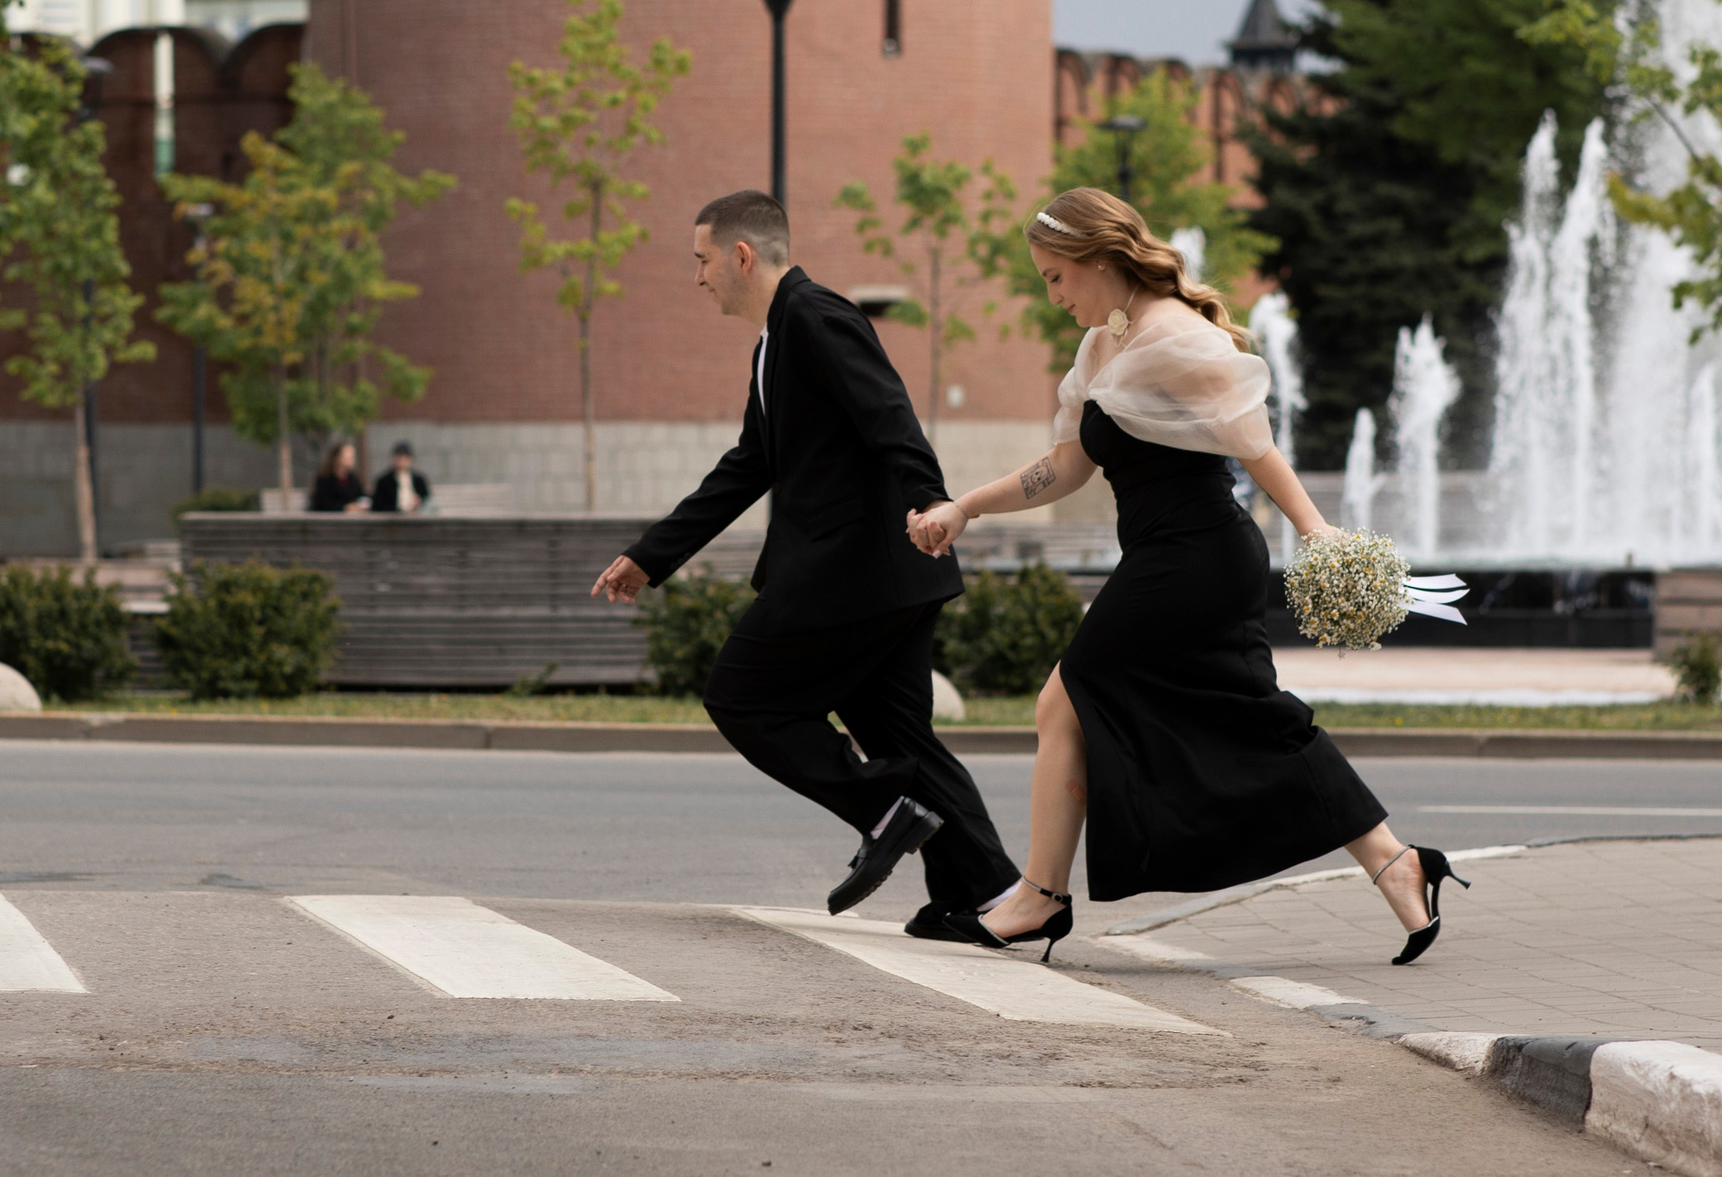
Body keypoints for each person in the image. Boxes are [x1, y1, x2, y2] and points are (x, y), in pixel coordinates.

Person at [907, 188, 1466, 965]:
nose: (1053, 295)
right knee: (1247, 716)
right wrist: (967, 506)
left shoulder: (1173, 336)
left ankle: (1040, 896)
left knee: (1063, 699)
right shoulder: (1106, 345)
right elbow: (1068, 465)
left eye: (1056, 277)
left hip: (1197, 558)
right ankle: (1396, 861)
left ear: (1100, 261)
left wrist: (1316, 531)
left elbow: (1254, 445)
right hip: (1169, 558)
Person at [593, 191, 1021, 929]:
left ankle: (882, 810)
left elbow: (889, 411)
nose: (697, 279)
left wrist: (929, 502)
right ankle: (992, 894)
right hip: (883, 573)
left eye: (701, 261)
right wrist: (650, 555)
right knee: (900, 735)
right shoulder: (776, 339)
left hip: (859, 568)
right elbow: (749, 464)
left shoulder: (816, 316)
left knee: (740, 692)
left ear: (741, 255)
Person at [368, 441, 431, 513]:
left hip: (416, 519)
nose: (402, 460)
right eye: (399, 457)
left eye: (405, 457)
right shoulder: (384, 482)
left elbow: (427, 502)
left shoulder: (419, 480)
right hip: (391, 521)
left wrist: (418, 504)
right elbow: (377, 506)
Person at [309, 442, 367, 513]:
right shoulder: (325, 479)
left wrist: (362, 505)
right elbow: (322, 503)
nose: (351, 460)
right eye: (347, 457)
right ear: (337, 458)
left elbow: (361, 496)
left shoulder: (353, 479)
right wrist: (345, 508)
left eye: (352, 457)